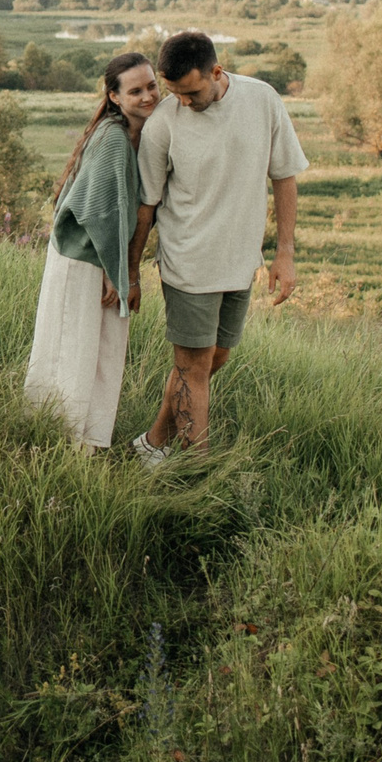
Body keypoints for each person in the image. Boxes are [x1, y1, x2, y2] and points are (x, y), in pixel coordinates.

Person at [133, 29, 307, 461]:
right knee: (194, 368)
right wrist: (131, 270)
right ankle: (198, 471)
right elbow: (146, 205)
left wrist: (284, 253)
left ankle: (153, 443)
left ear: (216, 71)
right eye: (174, 93)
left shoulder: (262, 99)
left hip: (240, 260)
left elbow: (284, 174)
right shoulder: (163, 124)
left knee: (214, 360)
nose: (183, 102)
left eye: (191, 92)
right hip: (188, 262)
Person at [24, 51, 159, 450]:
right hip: (85, 260)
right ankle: (59, 437)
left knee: (97, 350)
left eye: (152, 85)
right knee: (74, 348)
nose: (148, 95)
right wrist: (117, 273)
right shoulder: (115, 139)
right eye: (135, 90)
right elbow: (101, 213)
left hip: (95, 258)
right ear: (115, 97)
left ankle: (84, 438)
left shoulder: (138, 134)